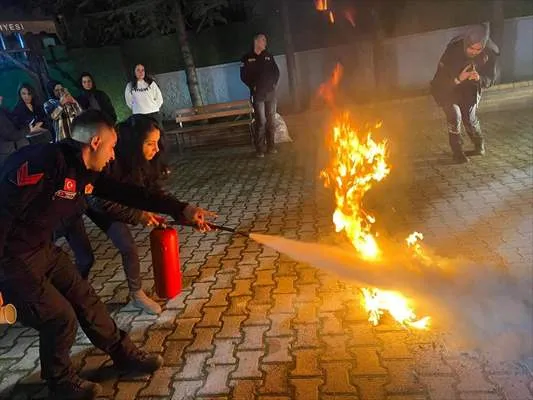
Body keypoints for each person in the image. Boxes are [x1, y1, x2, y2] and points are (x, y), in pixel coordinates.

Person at [0, 110, 215, 399]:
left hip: (43, 250)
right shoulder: (44, 162)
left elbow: (130, 193)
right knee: (60, 318)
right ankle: (60, 382)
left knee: (85, 299)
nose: (113, 155)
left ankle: (124, 355)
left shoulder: (86, 170)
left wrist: (182, 209)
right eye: (112, 147)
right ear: (96, 142)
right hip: (11, 260)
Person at [66, 115, 172, 315]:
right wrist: (138, 215)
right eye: (150, 143)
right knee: (85, 258)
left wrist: (180, 211)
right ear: (133, 143)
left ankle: (137, 295)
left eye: (157, 143)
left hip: (101, 200)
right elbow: (99, 199)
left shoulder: (141, 161)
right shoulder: (108, 159)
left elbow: (148, 194)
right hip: (81, 203)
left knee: (128, 246)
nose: (156, 149)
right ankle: (71, 300)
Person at [430, 23, 499, 164]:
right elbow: (440, 79)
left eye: (478, 49)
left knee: (469, 118)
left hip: (471, 90)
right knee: (454, 116)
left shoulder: (490, 53)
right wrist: (457, 79)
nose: (474, 52)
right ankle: (457, 152)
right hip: (449, 89)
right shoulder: (453, 50)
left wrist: (480, 78)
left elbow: (491, 78)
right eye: (471, 48)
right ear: (466, 43)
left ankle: (479, 144)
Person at [124, 64, 170, 175]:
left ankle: (162, 165)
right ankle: (145, 167)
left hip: (153, 115)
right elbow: (129, 102)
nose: (141, 72)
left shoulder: (151, 84)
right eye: (138, 70)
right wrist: (138, 109)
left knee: (159, 142)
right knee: (143, 142)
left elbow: (159, 99)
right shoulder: (130, 86)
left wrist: (153, 107)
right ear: (134, 72)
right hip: (139, 117)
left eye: (142, 70)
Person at [240, 33, 280, 158]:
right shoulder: (247, 58)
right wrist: (253, 86)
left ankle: (271, 147)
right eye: (263, 40)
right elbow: (243, 76)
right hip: (257, 95)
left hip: (270, 94)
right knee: (261, 121)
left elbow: (276, 72)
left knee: (271, 121)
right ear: (256, 42)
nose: (265, 43)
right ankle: (259, 149)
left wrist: (273, 84)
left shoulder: (268, 56)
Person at [0, 95, 30, 167]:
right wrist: (28, 129)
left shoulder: (3, 111)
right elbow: (11, 134)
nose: (1, 97)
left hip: (12, 152)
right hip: (8, 154)